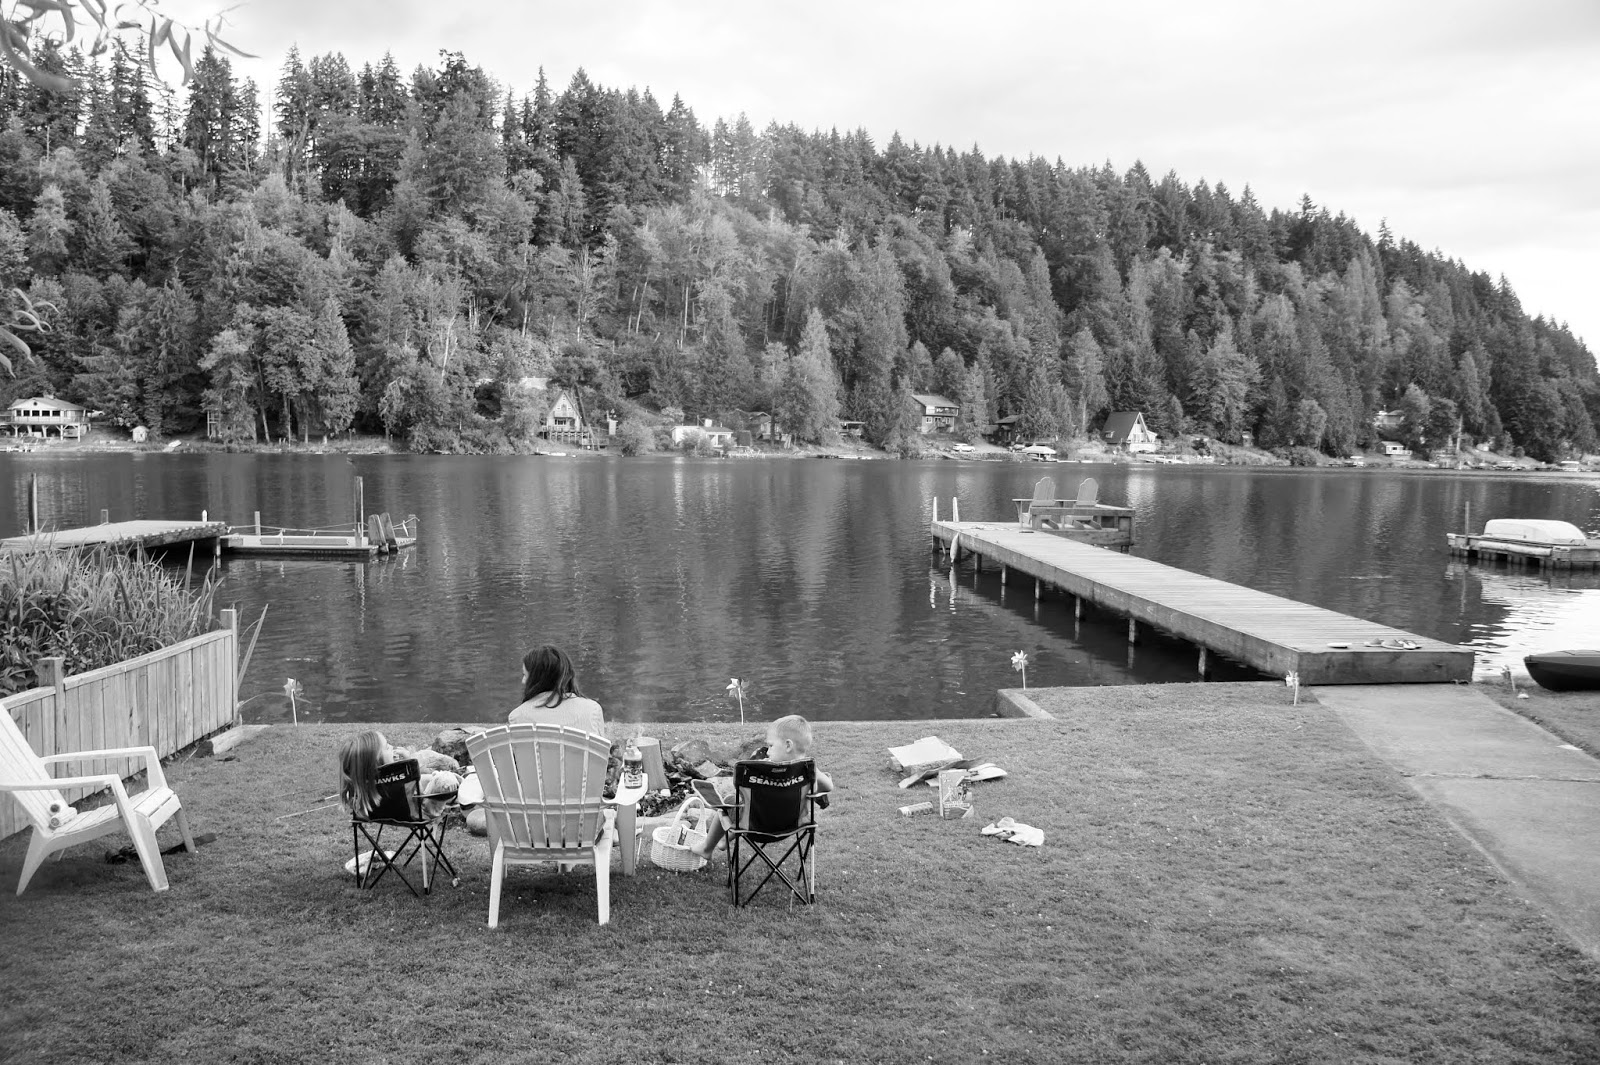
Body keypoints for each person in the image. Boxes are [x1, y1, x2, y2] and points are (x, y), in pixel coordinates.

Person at [692, 714, 833, 859]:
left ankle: (706, 848)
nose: (768, 751)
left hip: (754, 827)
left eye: (771, 746)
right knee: (758, 807)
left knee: (729, 802)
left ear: (788, 745)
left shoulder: (761, 769)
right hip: (792, 825)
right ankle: (724, 840)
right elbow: (828, 787)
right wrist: (808, 792)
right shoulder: (808, 769)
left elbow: (742, 795)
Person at [338, 730, 460, 820]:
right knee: (445, 779)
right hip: (416, 813)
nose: (392, 747)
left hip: (376, 815)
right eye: (387, 747)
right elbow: (419, 793)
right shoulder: (400, 781)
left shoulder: (361, 783)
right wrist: (409, 763)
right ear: (376, 760)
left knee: (432, 778)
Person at [508, 645, 606, 734]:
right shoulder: (592, 710)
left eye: (525, 675)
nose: (523, 681)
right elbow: (601, 752)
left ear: (536, 679)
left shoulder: (517, 717)